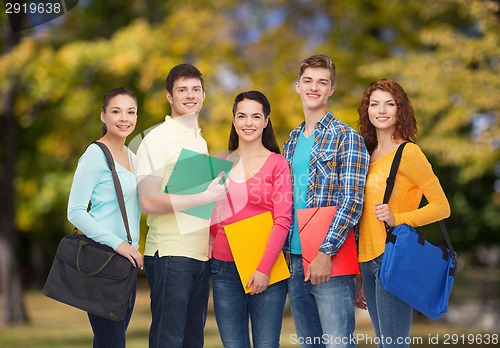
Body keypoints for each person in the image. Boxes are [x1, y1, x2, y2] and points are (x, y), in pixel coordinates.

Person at [136, 63, 227, 348]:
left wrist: (210, 235)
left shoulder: (198, 140)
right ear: (169, 97)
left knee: (192, 341)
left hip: (199, 256)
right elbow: (148, 200)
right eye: (182, 90)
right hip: (170, 255)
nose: (190, 95)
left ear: (203, 94)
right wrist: (206, 197)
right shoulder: (156, 139)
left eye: (196, 89)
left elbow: (195, 204)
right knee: (168, 340)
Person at [283, 54, 370, 348]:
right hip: (294, 259)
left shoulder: (347, 137)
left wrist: (325, 251)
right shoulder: (291, 141)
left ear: (331, 89)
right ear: (298, 86)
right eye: (308, 81)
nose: (314, 88)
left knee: (338, 344)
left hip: (330, 260)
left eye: (322, 82)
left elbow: (353, 201)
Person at [356, 79, 451, 347]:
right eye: (375, 104)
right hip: (366, 261)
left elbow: (442, 206)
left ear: (401, 110)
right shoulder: (367, 153)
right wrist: (357, 275)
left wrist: (399, 218)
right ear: (368, 110)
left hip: (392, 258)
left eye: (390, 104)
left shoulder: (409, 153)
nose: (381, 110)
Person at [210, 90, 293, 347]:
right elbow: (211, 212)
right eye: (242, 116)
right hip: (224, 268)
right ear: (234, 120)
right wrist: (211, 241)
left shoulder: (277, 164)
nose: (248, 123)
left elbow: (283, 220)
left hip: (266, 268)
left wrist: (263, 269)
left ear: (266, 121)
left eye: (256, 116)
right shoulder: (220, 161)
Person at [67, 87, 143, 348]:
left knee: (107, 342)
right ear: (103, 116)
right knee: (113, 342)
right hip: (103, 262)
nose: (124, 118)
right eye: (116, 111)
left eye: (130, 112)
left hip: (127, 266)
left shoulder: (134, 157)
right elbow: (75, 211)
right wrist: (119, 244)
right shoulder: (95, 155)